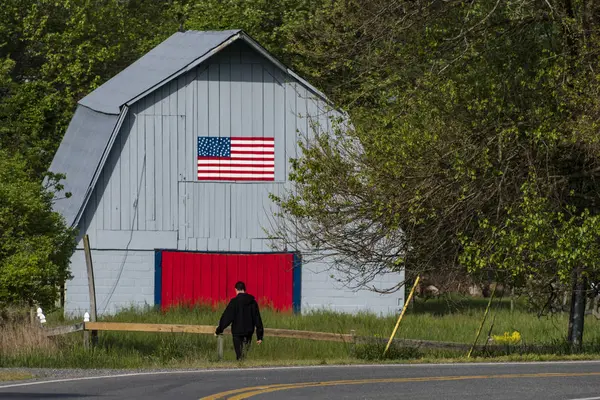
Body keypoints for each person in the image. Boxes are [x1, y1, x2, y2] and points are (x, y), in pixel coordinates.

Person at [215, 281, 264, 360]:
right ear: (244, 289)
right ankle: (243, 366)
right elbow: (257, 318)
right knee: (244, 353)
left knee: (239, 355)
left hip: (237, 332)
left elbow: (227, 317)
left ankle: (240, 365)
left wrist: (219, 329)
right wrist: (260, 336)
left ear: (236, 289)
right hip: (249, 332)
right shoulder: (252, 302)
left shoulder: (234, 302)